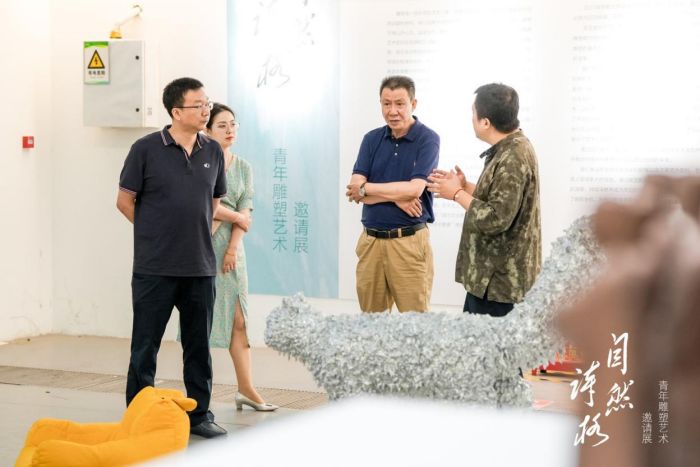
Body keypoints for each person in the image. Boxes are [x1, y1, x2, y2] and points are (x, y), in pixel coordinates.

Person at [116, 77, 227, 438]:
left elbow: (214, 203)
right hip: (155, 268)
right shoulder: (145, 149)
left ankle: (199, 415)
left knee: (198, 347)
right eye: (199, 105)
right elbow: (124, 201)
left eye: (207, 103)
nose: (206, 110)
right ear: (176, 112)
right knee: (145, 346)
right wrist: (156, 233)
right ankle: (139, 415)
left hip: (200, 268)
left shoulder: (213, 151)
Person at [428, 83, 541, 317]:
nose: (471, 118)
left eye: (473, 112)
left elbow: (496, 218)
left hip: (499, 286)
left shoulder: (513, 157)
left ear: (486, 122)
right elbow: (501, 198)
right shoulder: (511, 148)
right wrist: (465, 186)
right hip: (490, 282)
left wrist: (457, 194)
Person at [198, 102, 278, 411]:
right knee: (199, 321)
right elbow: (205, 207)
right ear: (208, 131)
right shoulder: (200, 162)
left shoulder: (243, 167)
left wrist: (232, 247)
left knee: (239, 320)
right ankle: (198, 395)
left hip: (232, 250)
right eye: (222, 125)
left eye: (233, 124)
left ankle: (246, 389)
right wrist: (235, 217)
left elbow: (247, 211)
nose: (229, 130)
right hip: (202, 245)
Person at [346, 75, 440, 312]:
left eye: (400, 104)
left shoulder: (427, 139)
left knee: (415, 324)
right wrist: (398, 198)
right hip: (371, 242)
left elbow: (415, 189)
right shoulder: (371, 139)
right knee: (372, 323)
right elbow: (355, 190)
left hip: (408, 242)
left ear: (413, 104)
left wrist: (369, 189)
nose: (392, 111)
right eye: (386, 104)